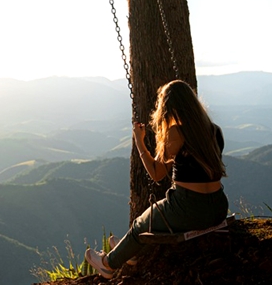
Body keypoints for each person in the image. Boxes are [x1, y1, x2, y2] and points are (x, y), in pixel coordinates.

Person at [85, 80, 229, 279]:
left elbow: (157, 173)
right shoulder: (214, 130)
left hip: (188, 207)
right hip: (219, 206)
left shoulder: (176, 133)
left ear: (169, 108)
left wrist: (140, 142)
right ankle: (128, 251)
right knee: (145, 226)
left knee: (139, 226)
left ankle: (107, 264)